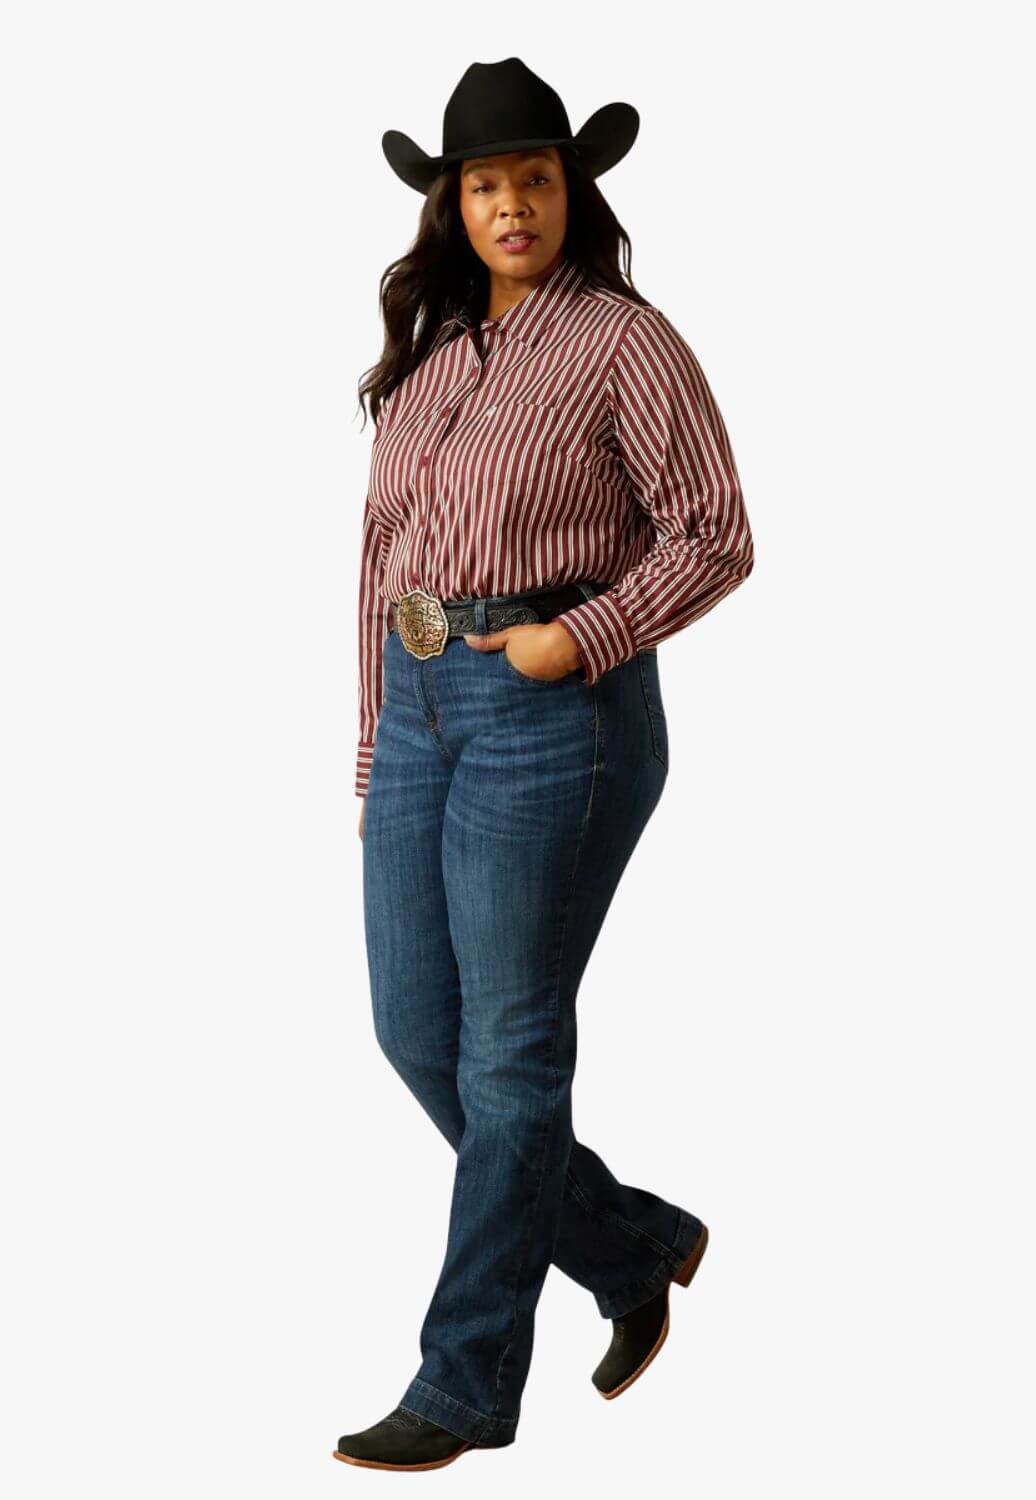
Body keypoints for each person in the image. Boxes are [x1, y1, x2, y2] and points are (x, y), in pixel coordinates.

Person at [334, 56, 754, 1471]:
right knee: (417, 1032)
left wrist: (578, 639)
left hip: (551, 715)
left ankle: (463, 1384)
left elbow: (716, 534)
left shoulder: (627, 342)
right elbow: (379, 558)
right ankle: (628, 1245)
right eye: (485, 184)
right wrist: (373, 739)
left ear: (573, 191)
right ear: (452, 206)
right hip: (419, 706)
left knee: (510, 1051)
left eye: (536, 178)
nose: (512, 203)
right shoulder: (433, 353)